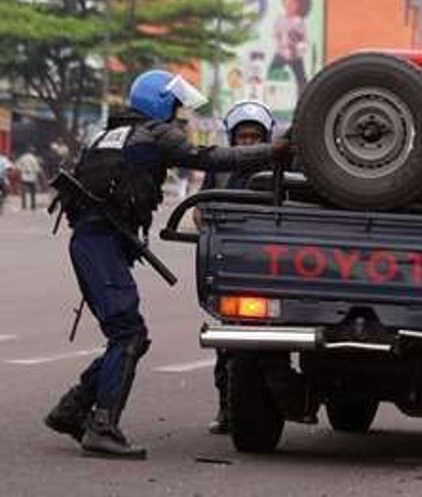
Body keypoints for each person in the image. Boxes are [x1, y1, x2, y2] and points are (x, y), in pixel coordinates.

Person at [43, 71, 288, 459]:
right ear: (159, 104)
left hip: (94, 240)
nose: (177, 115)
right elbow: (212, 158)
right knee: (128, 334)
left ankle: (72, 408)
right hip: (101, 242)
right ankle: (102, 425)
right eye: (174, 106)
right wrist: (270, 152)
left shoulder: (107, 134)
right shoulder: (154, 133)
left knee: (128, 334)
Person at [192, 100, 275, 435]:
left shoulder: (279, 167)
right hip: (233, 267)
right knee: (228, 346)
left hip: (269, 267)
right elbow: (200, 210)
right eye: (243, 137)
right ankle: (227, 409)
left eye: (255, 136)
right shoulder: (220, 169)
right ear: (233, 138)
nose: (249, 142)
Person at [269, 0, 312, 96]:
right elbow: (275, 33)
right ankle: (270, 95)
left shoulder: (299, 22)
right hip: (281, 53)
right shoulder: (280, 18)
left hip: (295, 55)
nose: (289, 4)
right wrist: (277, 35)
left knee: (301, 78)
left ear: (299, 6)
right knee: (272, 72)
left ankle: (303, 97)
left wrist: (299, 47)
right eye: (287, 0)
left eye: (294, 2)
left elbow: (304, 40)